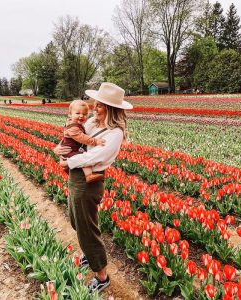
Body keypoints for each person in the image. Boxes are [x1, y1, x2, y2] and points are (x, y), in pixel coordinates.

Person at [54, 82, 133, 293]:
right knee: (76, 220)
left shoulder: (114, 133)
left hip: (89, 183)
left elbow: (95, 156)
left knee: (87, 229)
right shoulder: (92, 122)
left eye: (99, 105)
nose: (94, 108)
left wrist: (67, 162)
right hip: (76, 177)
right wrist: (59, 148)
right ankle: (90, 256)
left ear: (110, 109)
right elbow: (73, 137)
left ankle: (102, 275)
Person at [61, 99, 106, 183]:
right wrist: (95, 141)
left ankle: (67, 168)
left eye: (84, 114)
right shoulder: (73, 128)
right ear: (70, 114)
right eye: (78, 113)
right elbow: (82, 138)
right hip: (71, 151)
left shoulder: (76, 125)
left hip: (72, 149)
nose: (81, 116)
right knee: (83, 157)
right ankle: (89, 175)